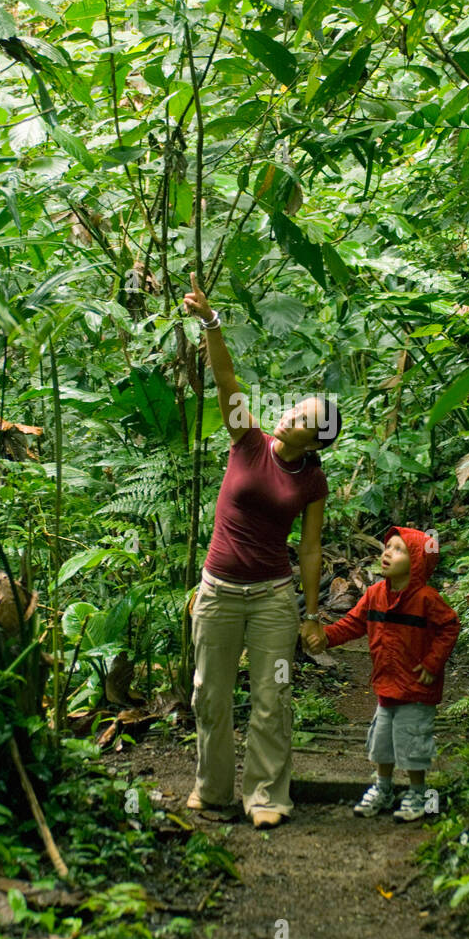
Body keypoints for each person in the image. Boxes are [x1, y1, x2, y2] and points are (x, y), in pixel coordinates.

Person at [182, 272, 342, 828]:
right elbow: (226, 376)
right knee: (210, 696)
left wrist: (313, 614)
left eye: (303, 418)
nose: (290, 413)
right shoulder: (247, 440)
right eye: (296, 406)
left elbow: (311, 550)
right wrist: (210, 322)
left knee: (273, 699)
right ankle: (215, 789)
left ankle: (268, 797)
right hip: (219, 590)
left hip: (273, 598)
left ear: (316, 440)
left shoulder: (311, 482)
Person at [310, 527, 459, 822]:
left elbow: (449, 626)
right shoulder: (375, 594)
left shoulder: (427, 599)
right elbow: (352, 624)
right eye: (387, 547)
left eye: (399, 549)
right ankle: (384, 788)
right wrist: (325, 638)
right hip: (387, 685)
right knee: (381, 743)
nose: (388, 553)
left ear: (417, 561)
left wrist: (432, 663)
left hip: (416, 688)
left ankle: (418, 793)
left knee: (413, 744)